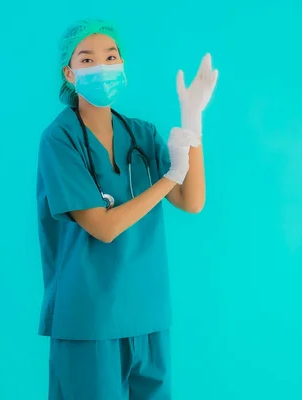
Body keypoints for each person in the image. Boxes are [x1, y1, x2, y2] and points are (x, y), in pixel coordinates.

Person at [35, 19, 218, 400]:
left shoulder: (141, 133)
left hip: (149, 314)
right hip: (91, 319)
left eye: (111, 56)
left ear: (123, 65)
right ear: (69, 73)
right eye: (87, 59)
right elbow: (102, 227)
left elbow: (192, 201)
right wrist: (169, 177)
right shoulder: (60, 139)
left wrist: (193, 120)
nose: (102, 66)